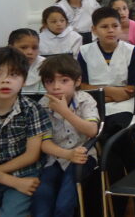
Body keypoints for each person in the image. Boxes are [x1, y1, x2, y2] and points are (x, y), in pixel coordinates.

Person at [77, 7, 135, 216]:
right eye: (104, 26)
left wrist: (104, 92)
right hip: (94, 107)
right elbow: (82, 85)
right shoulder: (84, 52)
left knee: (117, 137)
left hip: (125, 108)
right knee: (116, 147)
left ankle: (131, 197)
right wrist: (111, 91)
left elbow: (133, 88)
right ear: (94, 29)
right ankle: (124, 197)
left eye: (114, 25)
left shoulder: (130, 50)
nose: (110, 30)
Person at [0, 47, 51, 216]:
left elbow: (31, 155)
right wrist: (6, 179)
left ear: (24, 79)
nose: (5, 81)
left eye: (13, 75)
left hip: (24, 174)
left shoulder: (33, 109)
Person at [31, 55, 99, 217]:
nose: (56, 87)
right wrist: (68, 154)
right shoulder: (42, 105)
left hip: (84, 157)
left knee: (64, 203)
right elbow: (44, 143)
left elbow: (91, 131)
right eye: (49, 81)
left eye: (64, 80)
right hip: (55, 158)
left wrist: (65, 112)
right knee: (41, 198)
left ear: (77, 81)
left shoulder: (85, 100)